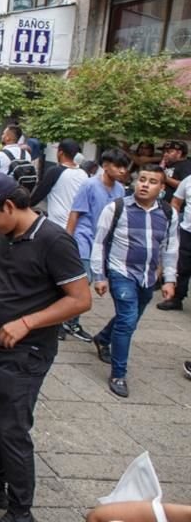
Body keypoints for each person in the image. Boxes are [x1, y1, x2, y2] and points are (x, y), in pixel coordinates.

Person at [0, 173, 91, 522]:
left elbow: (80, 300)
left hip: (26, 353)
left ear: (9, 206)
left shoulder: (54, 240)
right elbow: (1, 277)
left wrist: (28, 321)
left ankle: (21, 511)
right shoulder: (7, 234)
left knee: (12, 428)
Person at [90, 165, 177, 398]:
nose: (145, 184)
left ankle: (103, 338)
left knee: (130, 318)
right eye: (142, 179)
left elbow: (170, 249)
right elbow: (99, 242)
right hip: (121, 272)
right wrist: (99, 276)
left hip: (148, 276)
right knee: (128, 320)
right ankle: (118, 374)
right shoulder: (116, 208)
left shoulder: (168, 213)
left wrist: (169, 279)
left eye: (152, 181)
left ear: (161, 188)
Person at [65, 148, 130, 342]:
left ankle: (67, 320)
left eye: (124, 167)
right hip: (83, 238)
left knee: (87, 281)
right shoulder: (90, 185)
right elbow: (75, 213)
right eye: (118, 166)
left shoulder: (119, 190)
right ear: (106, 166)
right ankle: (68, 321)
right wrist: (68, 239)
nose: (122, 171)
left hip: (101, 242)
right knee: (82, 282)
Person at [28, 139, 87, 230]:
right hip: (76, 226)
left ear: (60, 153)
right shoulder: (84, 174)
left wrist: (24, 205)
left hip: (57, 225)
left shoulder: (55, 171)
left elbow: (37, 196)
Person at [163, 172, 191, 312]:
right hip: (187, 231)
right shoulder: (188, 181)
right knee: (182, 266)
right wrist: (173, 220)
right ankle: (176, 298)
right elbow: (176, 201)